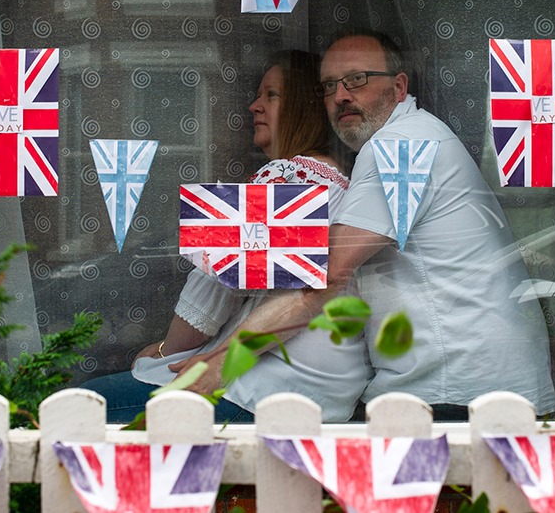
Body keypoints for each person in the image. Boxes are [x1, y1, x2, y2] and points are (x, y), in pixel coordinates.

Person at [173, 31, 555, 416]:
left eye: (357, 79)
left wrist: (219, 364)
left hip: (458, 391)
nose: (341, 95)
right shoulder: (412, 137)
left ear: (399, 86)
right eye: (329, 86)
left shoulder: (400, 146)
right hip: (474, 386)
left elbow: (324, 279)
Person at [83, 50, 371, 422]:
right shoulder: (336, 183)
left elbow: (215, 287)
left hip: (265, 386)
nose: (254, 106)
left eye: (271, 95)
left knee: (88, 403)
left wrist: (162, 350)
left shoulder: (286, 179)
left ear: (303, 106)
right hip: (326, 390)